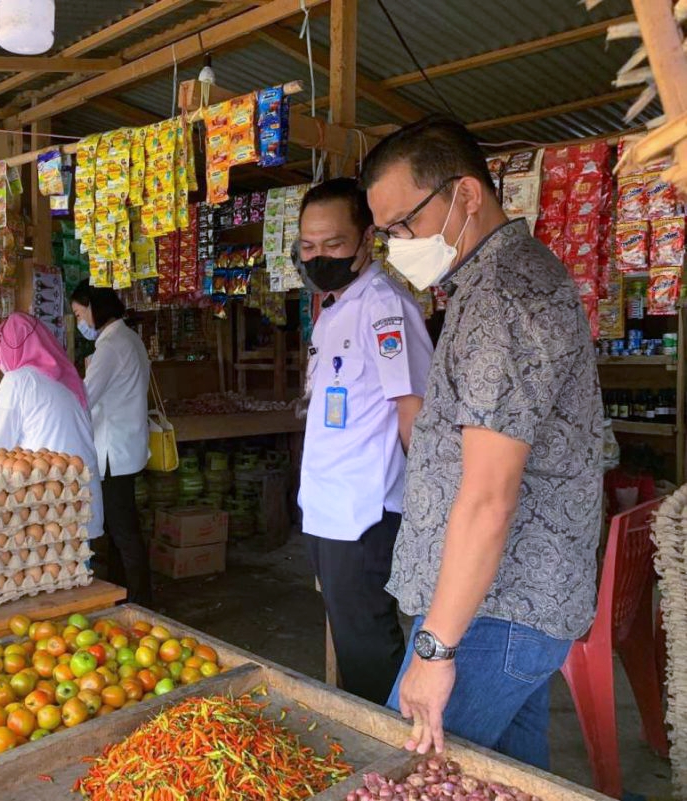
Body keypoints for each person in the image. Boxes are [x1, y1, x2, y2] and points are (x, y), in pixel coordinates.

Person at [361, 115, 602, 769]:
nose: (396, 246)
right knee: (509, 778)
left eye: (403, 224)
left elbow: (489, 496)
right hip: (504, 607)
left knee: (405, 775)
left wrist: (436, 649)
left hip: (493, 612)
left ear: (466, 194)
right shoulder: (492, 283)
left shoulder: (504, 296)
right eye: (385, 234)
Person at [295, 178, 433, 705]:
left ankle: (386, 742)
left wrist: (430, 508)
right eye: (309, 246)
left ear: (367, 239)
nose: (319, 257)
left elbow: (412, 410)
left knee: (368, 646)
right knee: (351, 640)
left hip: (362, 510)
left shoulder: (384, 307)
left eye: (333, 244)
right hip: (326, 505)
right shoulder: (333, 308)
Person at [0, 312, 103, 540]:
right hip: (81, 498)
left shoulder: (17, 380)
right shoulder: (70, 380)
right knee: (80, 559)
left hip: (49, 507)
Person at [70, 281, 152, 605]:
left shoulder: (110, 346)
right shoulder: (129, 338)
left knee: (123, 532)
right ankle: (125, 596)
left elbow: (85, 398)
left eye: (80, 314)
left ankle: (140, 601)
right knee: (121, 531)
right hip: (126, 447)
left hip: (114, 452)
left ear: (95, 307)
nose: (79, 322)